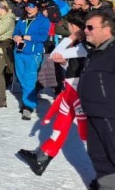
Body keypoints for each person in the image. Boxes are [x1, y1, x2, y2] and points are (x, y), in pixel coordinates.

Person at [17, 10, 89, 176]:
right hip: (72, 88)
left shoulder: (84, 45)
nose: (67, 29)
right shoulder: (82, 45)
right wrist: (64, 63)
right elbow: (69, 65)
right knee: (62, 124)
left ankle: (105, 172)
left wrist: (70, 38)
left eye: (69, 26)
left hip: (77, 91)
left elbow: (57, 52)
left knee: (88, 131)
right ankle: (43, 157)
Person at [77, 11, 115, 190]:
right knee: (99, 156)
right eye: (86, 27)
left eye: (91, 27)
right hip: (93, 111)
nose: (86, 31)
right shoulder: (96, 51)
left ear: (107, 29)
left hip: (110, 112)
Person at [12, 0, 51, 120]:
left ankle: (28, 106)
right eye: (27, 5)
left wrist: (25, 37)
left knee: (29, 79)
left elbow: (43, 36)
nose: (29, 7)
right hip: (19, 51)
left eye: (32, 5)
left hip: (33, 53)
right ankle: (28, 99)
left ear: (37, 7)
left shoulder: (43, 20)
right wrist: (16, 37)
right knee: (21, 78)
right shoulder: (22, 19)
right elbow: (15, 31)